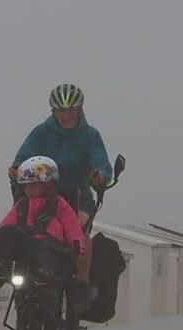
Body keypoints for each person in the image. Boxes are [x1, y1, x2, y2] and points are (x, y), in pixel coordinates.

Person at [8, 83, 112, 278]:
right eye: (61, 111)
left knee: (82, 238)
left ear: (79, 109)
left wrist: (100, 176)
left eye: (71, 110)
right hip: (42, 194)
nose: (66, 115)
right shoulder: (40, 133)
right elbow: (23, 157)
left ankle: (81, 286)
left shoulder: (90, 136)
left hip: (77, 197)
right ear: (53, 111)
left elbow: (102, 164)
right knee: (20, 230)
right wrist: (15, 169)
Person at [0, 156, 94, 308]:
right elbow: (7, 223)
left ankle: (44, 271)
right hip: (25, 244)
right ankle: (0, 266)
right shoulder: (22, 204)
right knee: (4, 233)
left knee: (44, 247)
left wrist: (76, 245)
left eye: (34, 185)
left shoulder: (59, 204)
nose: (29, 190)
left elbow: (71, 225)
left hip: (50, 245)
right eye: (26, 186)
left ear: (48, 184)